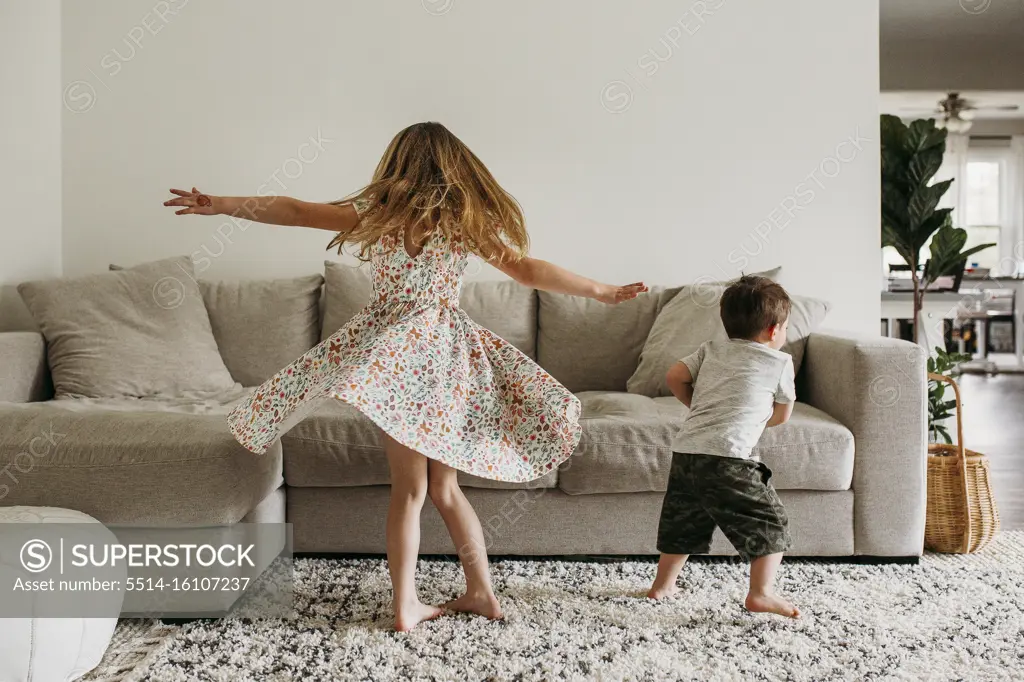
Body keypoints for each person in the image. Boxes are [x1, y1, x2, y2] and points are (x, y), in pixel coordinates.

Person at [163, 121, 647, 631]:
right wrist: (600, 290)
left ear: (398, 164)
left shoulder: (378, 214)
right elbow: (529, 270)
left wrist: (219, 203)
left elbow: (295, 208)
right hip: (444, 360)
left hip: (394, 359)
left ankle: (408, 604)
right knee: (445, 489)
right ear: (456, 167)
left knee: (409, 491)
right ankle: (479, 591)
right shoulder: (462, 223)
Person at [646, 275, 799, 618]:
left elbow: (674, 376)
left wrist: (698, 407)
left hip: (687, 452)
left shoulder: (711, 349)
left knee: (683, 521)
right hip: (730, 457)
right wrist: (753, 421)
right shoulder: (780, 362)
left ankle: (663, 586)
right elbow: (783, 415)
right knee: (770, 522)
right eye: (786, 327)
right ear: (774, 330)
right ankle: (760, 592)